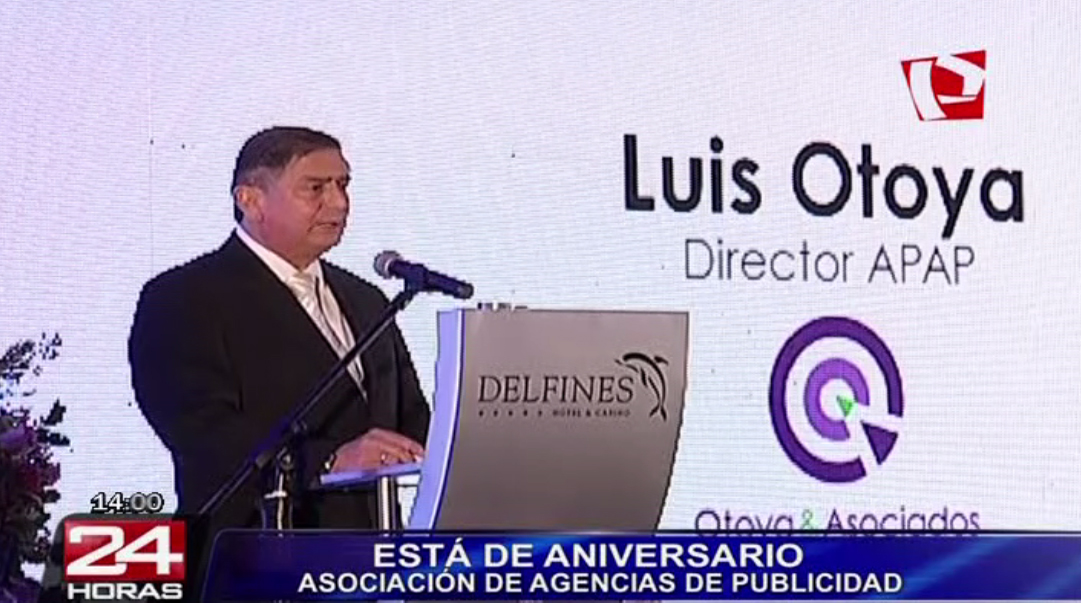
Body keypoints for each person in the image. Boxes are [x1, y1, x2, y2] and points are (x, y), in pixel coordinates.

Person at [127, 126, 430, 593]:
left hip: (376, 570)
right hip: (251, 566)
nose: (339, 203)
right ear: (251, 200)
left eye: (343, 185)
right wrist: (330, 459)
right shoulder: (185, 297)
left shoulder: (367, 300)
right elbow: (201, 431)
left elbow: (412, 420)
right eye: (316, 188)